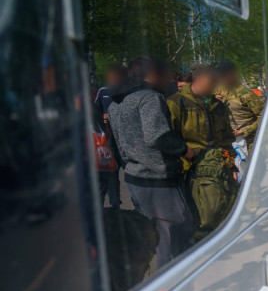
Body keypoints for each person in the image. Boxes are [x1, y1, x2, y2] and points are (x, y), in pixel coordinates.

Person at [108, 56, 195, 267]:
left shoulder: (115, 103)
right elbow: (157, 136)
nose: (171, 79)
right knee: (173, 238)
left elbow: (117, 142)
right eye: (167, 74)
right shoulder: (149, 98)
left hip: (134, 179)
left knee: (155, 237)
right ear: (153, 74)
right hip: (157, 180)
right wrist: (184, 150)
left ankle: (163, 286)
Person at [167, 64, 236, 157]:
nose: (215, 85)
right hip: (189, 165)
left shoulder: (218, 105)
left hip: (218, 163)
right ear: (199, 79)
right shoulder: (176, 103)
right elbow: (169, 139)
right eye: (212, 81)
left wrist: (231, 163)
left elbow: (226, 139)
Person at [93, 63, 127, 207]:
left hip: (125, 138)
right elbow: (95, 112)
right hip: (109, 138)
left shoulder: (128, 90)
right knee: (110, 173)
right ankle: (113, 205)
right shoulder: (103, 90)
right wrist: (103, 117)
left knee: (130, 172)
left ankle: (138, 209)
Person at [215, 59, 264, 147]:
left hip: (250, 142)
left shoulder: (246, 94)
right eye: (220, 75)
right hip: (229, 141)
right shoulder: (218, 90)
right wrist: (213, 101)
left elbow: (264, 117)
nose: (222, 78)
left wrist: (244, 131)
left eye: (224, 75)